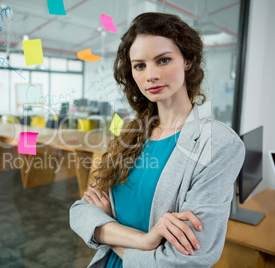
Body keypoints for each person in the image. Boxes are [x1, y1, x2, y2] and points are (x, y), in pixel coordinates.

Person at [69, 12, 245, 268]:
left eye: (163, 60)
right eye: (139, 65)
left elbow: (188, 257)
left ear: (188, 60)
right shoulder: (132, 133)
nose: (150, 75)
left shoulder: (218, 143)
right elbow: (80, 212)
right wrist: (144, 240)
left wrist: (110, 232)